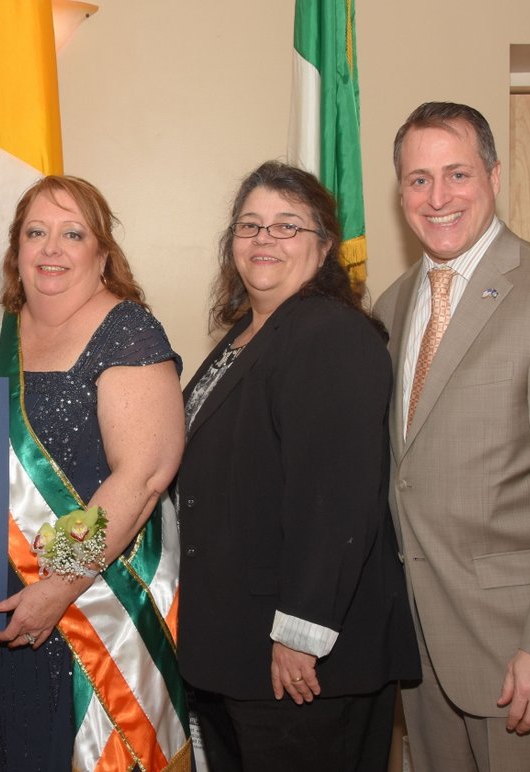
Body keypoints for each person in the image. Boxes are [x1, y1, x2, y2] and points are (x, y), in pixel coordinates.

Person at [373, 102, 530, 772]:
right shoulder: (392, 307)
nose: (438, 197)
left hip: (524, 655)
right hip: (423, 651)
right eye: (418, 180)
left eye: (457, 174)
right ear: (400, 193)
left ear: (494, 175)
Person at [177, 161, 420, 772]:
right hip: (236, 648)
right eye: (251, 225)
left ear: (325, 246)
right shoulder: (243, 337)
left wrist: (300, 633)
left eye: (288, 226)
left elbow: (337, 498)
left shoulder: (330, 334)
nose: (265, 239)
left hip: (303, 664)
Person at [0, 175, 190, 771]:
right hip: (4, 611)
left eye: (73, 233)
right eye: (36, 232)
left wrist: (58, 588)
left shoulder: (128, 330)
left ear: (102, 254)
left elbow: (144, 475)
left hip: (92, 609)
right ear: (16, 252)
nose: (52, 248)